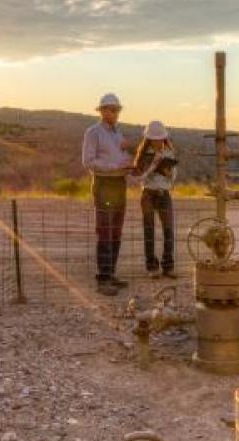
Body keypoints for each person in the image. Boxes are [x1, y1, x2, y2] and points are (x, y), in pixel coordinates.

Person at [82, 93, 133, 296]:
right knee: (105, 230)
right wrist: (114, 166)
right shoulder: (92, 133)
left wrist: (129, 162)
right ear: (102, 111)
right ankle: (103, 278)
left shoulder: (118, 134)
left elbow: (121, 157)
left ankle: (111, 274)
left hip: (120, 183)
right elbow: (88, 161)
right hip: (104, 183)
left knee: (116, 231)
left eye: (116, 110)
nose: (113, 113)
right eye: (109, 109)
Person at [132, 121, 179, 279]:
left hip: (164, 193)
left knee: (168, 230)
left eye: (160, 138)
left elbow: (173, 177)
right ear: (149, 139)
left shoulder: (169, 152)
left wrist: (168, 173)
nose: (157, 141)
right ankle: (152, 266)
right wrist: (153, 165)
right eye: (154, 139)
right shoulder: (144, 155)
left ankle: (168, 266)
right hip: (148, 194)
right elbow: (140, 178)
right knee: (149, 230)